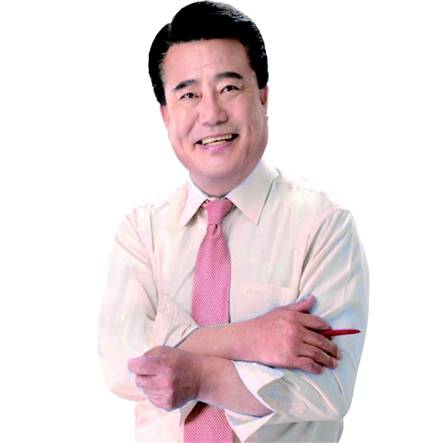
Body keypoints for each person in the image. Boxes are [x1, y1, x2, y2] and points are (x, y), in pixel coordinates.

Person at [98, 1, 369, 442]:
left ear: (262, 96)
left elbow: (327, 391)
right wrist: (249, 339)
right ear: (166, 115)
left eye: (228, 87)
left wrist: (198, 375)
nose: (211, 114)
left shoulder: (323, 223)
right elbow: (121, 363)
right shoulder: (141, 232)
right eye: (188, 95)